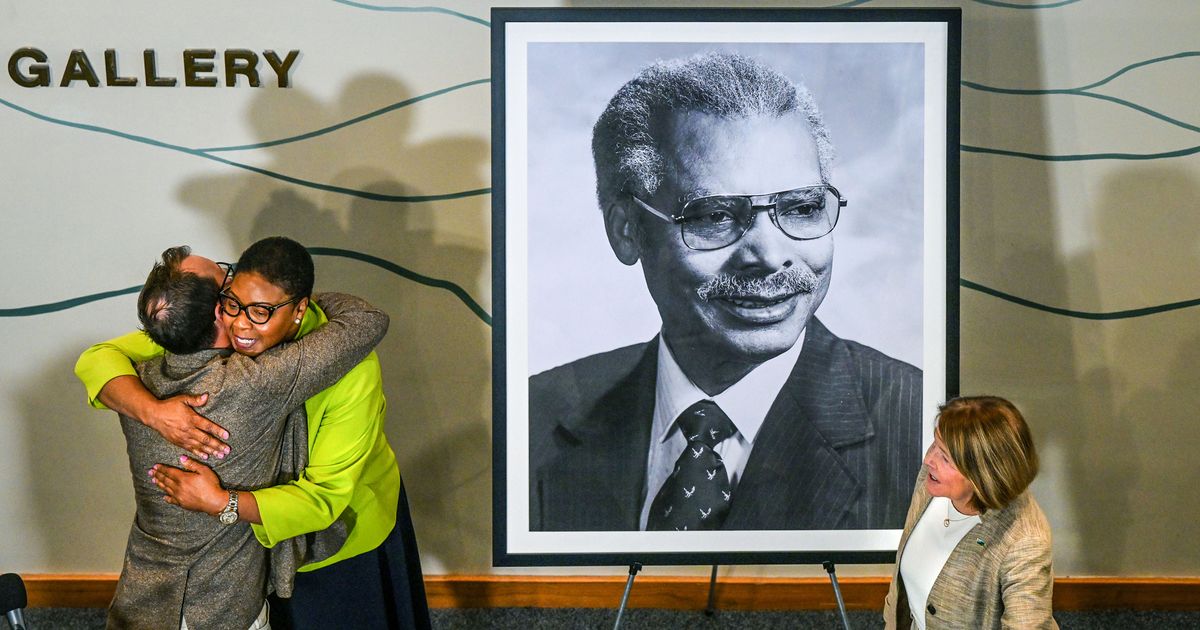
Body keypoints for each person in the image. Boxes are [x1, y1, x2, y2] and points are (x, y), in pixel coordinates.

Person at [529, 52, 922, 532]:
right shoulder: (536, 419)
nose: (769, 255)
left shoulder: (920, 431)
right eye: (715, 215)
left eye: (800, 208)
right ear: (627, 231)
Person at [75, 237, 431, 629]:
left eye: (260, 310)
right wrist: (156, 413)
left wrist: (223, 502)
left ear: (297, 309)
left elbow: (324, 500)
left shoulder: (346, 365)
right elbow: (98, 357)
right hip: (245, 555)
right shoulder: (232, 360)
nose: (242, 323)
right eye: (231, 301)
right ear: (215, 311)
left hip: (332, 537)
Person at [883, 396, 1058, 629]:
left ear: (982, 475)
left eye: (945, 457)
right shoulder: (933, 477)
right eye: (935, 444)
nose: (928, 459)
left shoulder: (1025, 542)